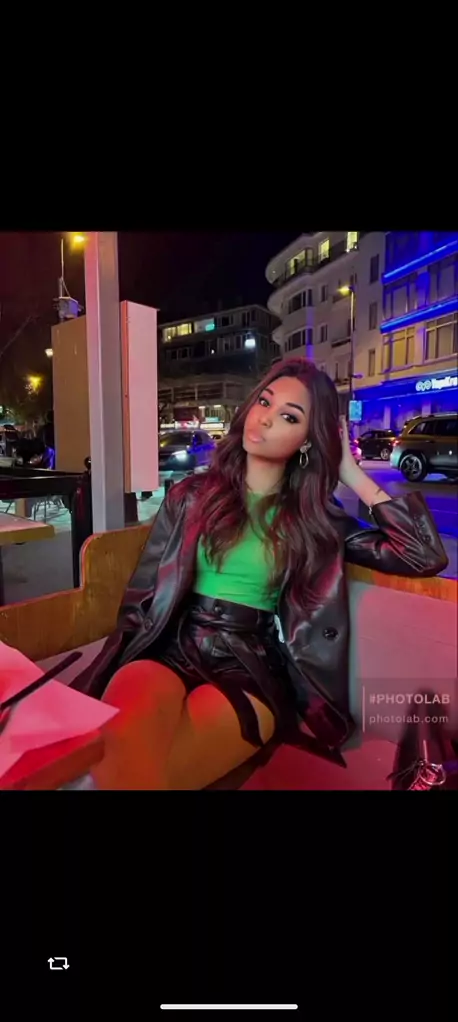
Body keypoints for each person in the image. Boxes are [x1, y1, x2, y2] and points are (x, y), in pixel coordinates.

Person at [72, 358, 448, 790]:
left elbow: (421, 554)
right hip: (171, 645)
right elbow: (143, 594)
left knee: (143, 776)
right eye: (265, 402)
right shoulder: (190, 495)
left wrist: (350, 473)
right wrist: (115, 659)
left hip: (248, 662)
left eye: (290, 417)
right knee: (123, 749)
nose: (267, 418)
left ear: (308, 439)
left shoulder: (316, 521)